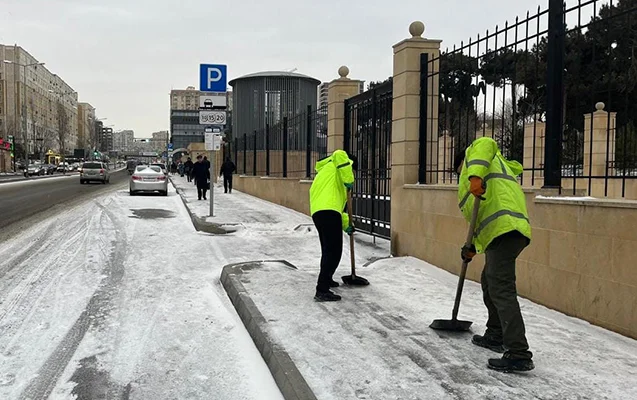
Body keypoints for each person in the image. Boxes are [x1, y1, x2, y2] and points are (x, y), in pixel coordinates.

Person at [454, 136, 534, 372]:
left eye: (459, 170)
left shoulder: (476, 154)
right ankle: (496, 334)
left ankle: (519, 352)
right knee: (489, 281)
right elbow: (481, 219)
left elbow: (486, 142)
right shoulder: (488, 176)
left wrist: (474, 173)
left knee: (500, 288)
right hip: (503, 231)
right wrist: (471, 248)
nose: (461, 175)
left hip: (506, 228)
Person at [309, 150, 357, 302]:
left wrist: (346, 225)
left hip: (320, 212)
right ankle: (322, 290)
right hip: (328, 212)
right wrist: (349, 178)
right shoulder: (339, 161)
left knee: (328, 250)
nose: (352, 173)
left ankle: (327, 279)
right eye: (352, 169)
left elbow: (338, 205)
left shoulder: (327, 173)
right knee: (334, 251)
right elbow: (339, 153)